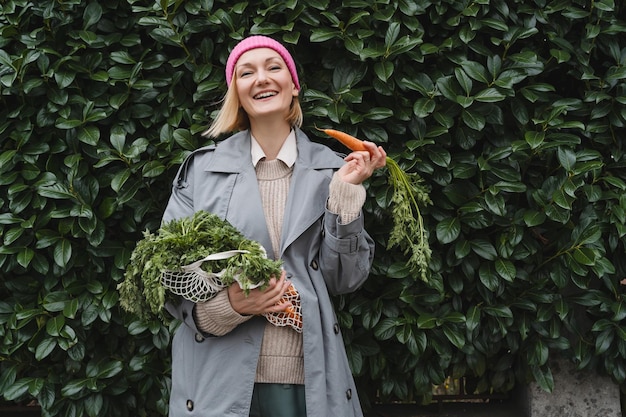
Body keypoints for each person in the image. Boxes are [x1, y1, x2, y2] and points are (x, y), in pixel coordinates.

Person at [161, 35, 387, 417]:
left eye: (273, 67)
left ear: (294, 84)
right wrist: (229, 306)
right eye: (246, 72)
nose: (261, 78)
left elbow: (344, 280)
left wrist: (346, 195)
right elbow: (168, 276)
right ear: (237, 92)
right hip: (219, 381)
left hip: (307, 381)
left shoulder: (332, 170)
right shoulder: (201, 171)